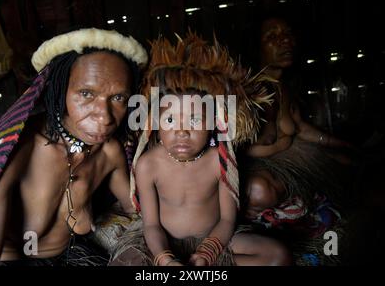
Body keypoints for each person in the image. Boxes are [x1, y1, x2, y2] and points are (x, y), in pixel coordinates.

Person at [0, 28, 147, 265]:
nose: (104, 117)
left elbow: (138, 211)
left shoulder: (109, 152)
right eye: (86, 93)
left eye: (118, 98)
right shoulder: (19, 148)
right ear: (60, 89)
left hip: (72, 255)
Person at [100, 33, 291, 266]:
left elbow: (228, 219)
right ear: (155, 125)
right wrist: (165, 259)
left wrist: (207, 253)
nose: (182, 132)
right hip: (162, 241)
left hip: (215, 239)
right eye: (170, 121)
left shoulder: (219, 161)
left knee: (278, 256)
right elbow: (151, 225)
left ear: (213, 123)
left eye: (194, 120)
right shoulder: (148, 165)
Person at [240, 16, 353, 265]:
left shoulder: (283, 87)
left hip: (288, 162)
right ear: (255, 47)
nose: (285, 41)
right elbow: (239, 145)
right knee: (258, 190)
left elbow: (300, 128)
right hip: (259, 169)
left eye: (288, 34)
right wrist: (272, 134)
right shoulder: (247, 88)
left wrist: (339, 144)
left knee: (346, 162)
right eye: (272, 37)